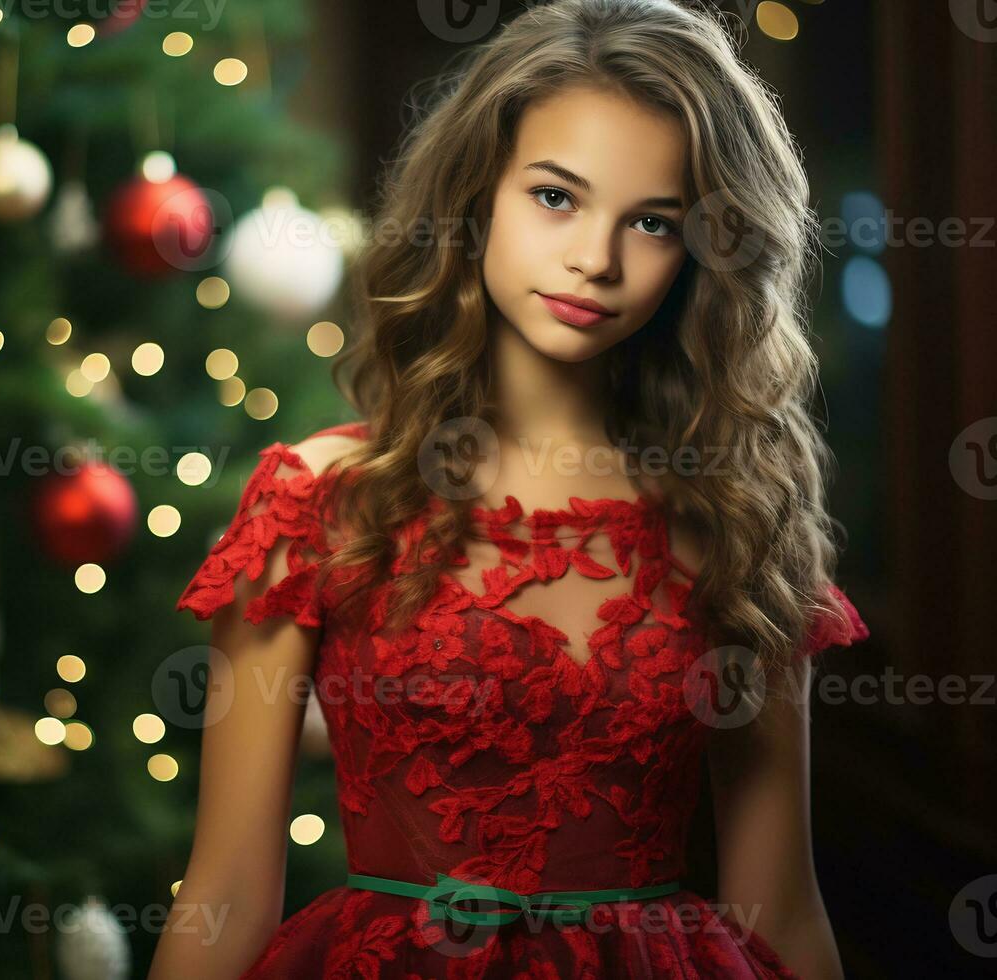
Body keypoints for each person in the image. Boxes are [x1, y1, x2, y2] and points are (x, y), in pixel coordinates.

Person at [149, 1, 870, 976]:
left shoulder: (736, 522)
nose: (595, 258)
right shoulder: (320, 502)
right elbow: (226, 890)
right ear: (477, 194)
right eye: (557, 197)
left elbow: (782, 908)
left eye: (653, 222)